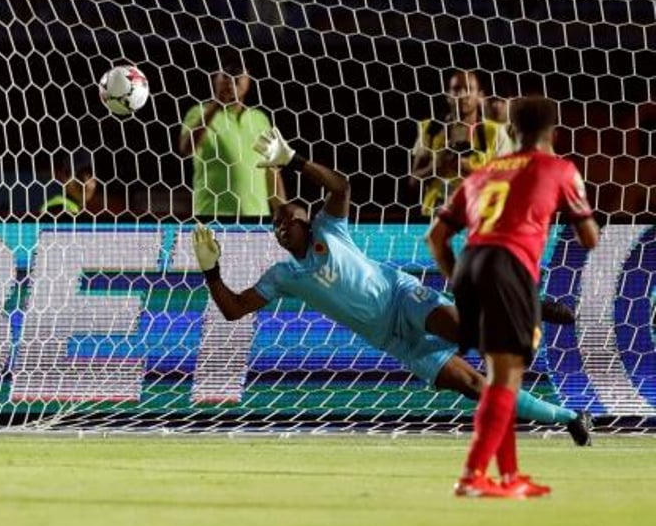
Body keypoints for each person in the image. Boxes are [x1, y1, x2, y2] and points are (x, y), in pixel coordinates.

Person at [191, 128, 592, 449]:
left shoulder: (330, 230)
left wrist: (293, 160)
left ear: (306, 221)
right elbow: (234, 309)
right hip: (395, 340)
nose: (281, 228)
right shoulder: (283, 276)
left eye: (288, 220)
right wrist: (211, 271)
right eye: (276, 226)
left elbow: (342, 187)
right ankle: (571, 418)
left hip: (403, 298)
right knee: (477, 389)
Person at [427, 96, 599, 498]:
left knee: (501, 377)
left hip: (470, 265)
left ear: (509, 131)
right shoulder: (558, 168)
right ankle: (472, 475)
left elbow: (435, 237)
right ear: (553, 133)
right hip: (510, 268)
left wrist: (459, 279)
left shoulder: (483, 172)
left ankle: (509, 476)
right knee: (505, 378)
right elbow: (588, 237)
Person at [411, 69, 513, 217]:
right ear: (447, 95)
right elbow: (412, 182)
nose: (463, 95)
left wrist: (469, 169)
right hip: (433, 217)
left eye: (469, 89)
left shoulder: (495, 133)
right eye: (457, 89)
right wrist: (436, 167)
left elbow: (508, 183)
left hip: (478, 219)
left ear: (479, 96)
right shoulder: (431, 129)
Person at [178, 61, 273, 218]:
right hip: (213, 215)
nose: (233, 78)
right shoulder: (199, 112)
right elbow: (186, 148)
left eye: (239, 73)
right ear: (215, 79)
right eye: (227, 73)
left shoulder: (259, 118)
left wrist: (283, 208)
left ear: (249, 79)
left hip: (257, 217)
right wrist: (217, 104)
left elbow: (272, 172)